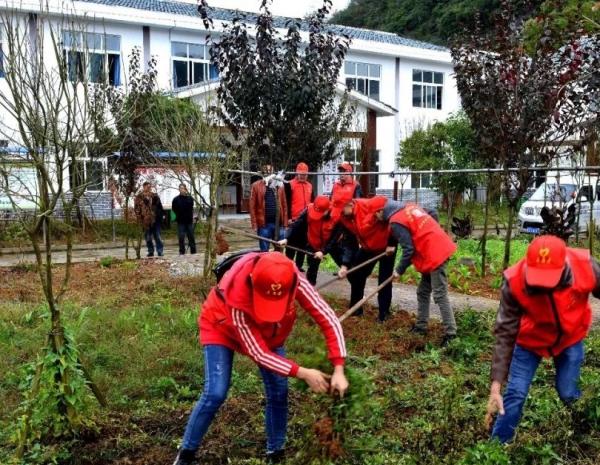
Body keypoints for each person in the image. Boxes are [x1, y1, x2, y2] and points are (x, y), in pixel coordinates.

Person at [173, 252, 349, 465]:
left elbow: (328, 318)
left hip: (270, 334)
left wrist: (339, 367)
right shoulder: (236, 293)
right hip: (221, 325)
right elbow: (258, 353)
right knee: (215, 393)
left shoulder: (293, 278)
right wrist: (302, 373)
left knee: (279, 392)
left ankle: (275, 453)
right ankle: (185, 455)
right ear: (252, 283)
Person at [486, 235, 600, 443]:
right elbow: (505, 332)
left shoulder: (585, 266)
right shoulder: (515, 281)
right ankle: (496, 448)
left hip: (571, 337)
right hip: (531, 340)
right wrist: (495, 386)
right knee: (515, 394)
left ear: (563, 267)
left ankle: (584, 431)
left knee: (568, 392)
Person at [378, 200, 457, 344]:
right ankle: (421, 326)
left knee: (440, 294)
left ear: (382, 211)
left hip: (435, 253)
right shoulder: (409, 207)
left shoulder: (395, 221)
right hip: (434, 249)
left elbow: (409, 249)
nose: (376, 218)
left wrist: (398, 270)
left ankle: (451, 334)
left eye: (376, 215)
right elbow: (432, 212)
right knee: (422, 291)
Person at [338, 196, 397, 322]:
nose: (340, 212)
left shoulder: (368, 206)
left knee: (384, 279)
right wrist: (345, 265)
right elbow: (349, 242)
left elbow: (392, 217)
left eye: (341, 209)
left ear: (349, 204)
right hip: (368, 247)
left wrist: (391, 243)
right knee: (355, 274)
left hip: (386, 247)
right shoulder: (344, 217)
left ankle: (384, 314)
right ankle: (356, 309)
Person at [279, 195, 342, 285]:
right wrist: (287, 238)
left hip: (330, 245)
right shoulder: (309, 210)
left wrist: (323, 251)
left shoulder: (336, 218)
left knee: (346, 265)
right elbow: (297, 224)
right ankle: (311, 288)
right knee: (312, 267)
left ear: (328, 209)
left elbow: (334, 239)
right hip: (313, 243)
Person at [250, 165, 288, 252]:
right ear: (262, 174)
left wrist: (285, 224)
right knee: (264, 252)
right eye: (266, 172)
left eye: (270, 171)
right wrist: (254, 224)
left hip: (279, 224)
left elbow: (284, 205)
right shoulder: (256, 186)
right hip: (264, 225)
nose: (268, 173)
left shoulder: (280, 185)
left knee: (279, 251)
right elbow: (252, 207)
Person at [284, 162, 314, 271]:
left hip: (306, 220)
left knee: (302, 244)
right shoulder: (290, 184)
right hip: (294, 220)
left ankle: (299, 265)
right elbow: (286, 203)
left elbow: (313, 202)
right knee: (291, 242)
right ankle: (288, 264)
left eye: (305, 174)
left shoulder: (310, 186)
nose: (303, 176)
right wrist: (288, 218)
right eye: (301, 174)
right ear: (296, 173)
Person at [134, 181, 164, 257]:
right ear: (143, 187)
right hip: (145, 220)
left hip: (155, 219)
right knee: (148, 237)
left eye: (150, 187)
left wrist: (162, 215)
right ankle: (150, 251)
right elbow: (137, 209)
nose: (149, 188)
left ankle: (160, 251)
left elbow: (160, 207)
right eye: (147, 187)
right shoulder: (139, 197)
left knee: (157, 236)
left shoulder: (155, 196)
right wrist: (139, 218)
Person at [172, 184, 197, 255]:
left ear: (186, 189)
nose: (182, 190)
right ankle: (182, 251)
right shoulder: (176, 199)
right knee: (181, 237)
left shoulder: (190, 198)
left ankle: (193, 251)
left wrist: (193, 217)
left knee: (191, 236)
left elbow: (191, 208)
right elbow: (174, 209)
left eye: (183, 188)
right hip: (181, 221)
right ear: (179, 189)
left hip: (189, 221)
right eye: (180, 188)